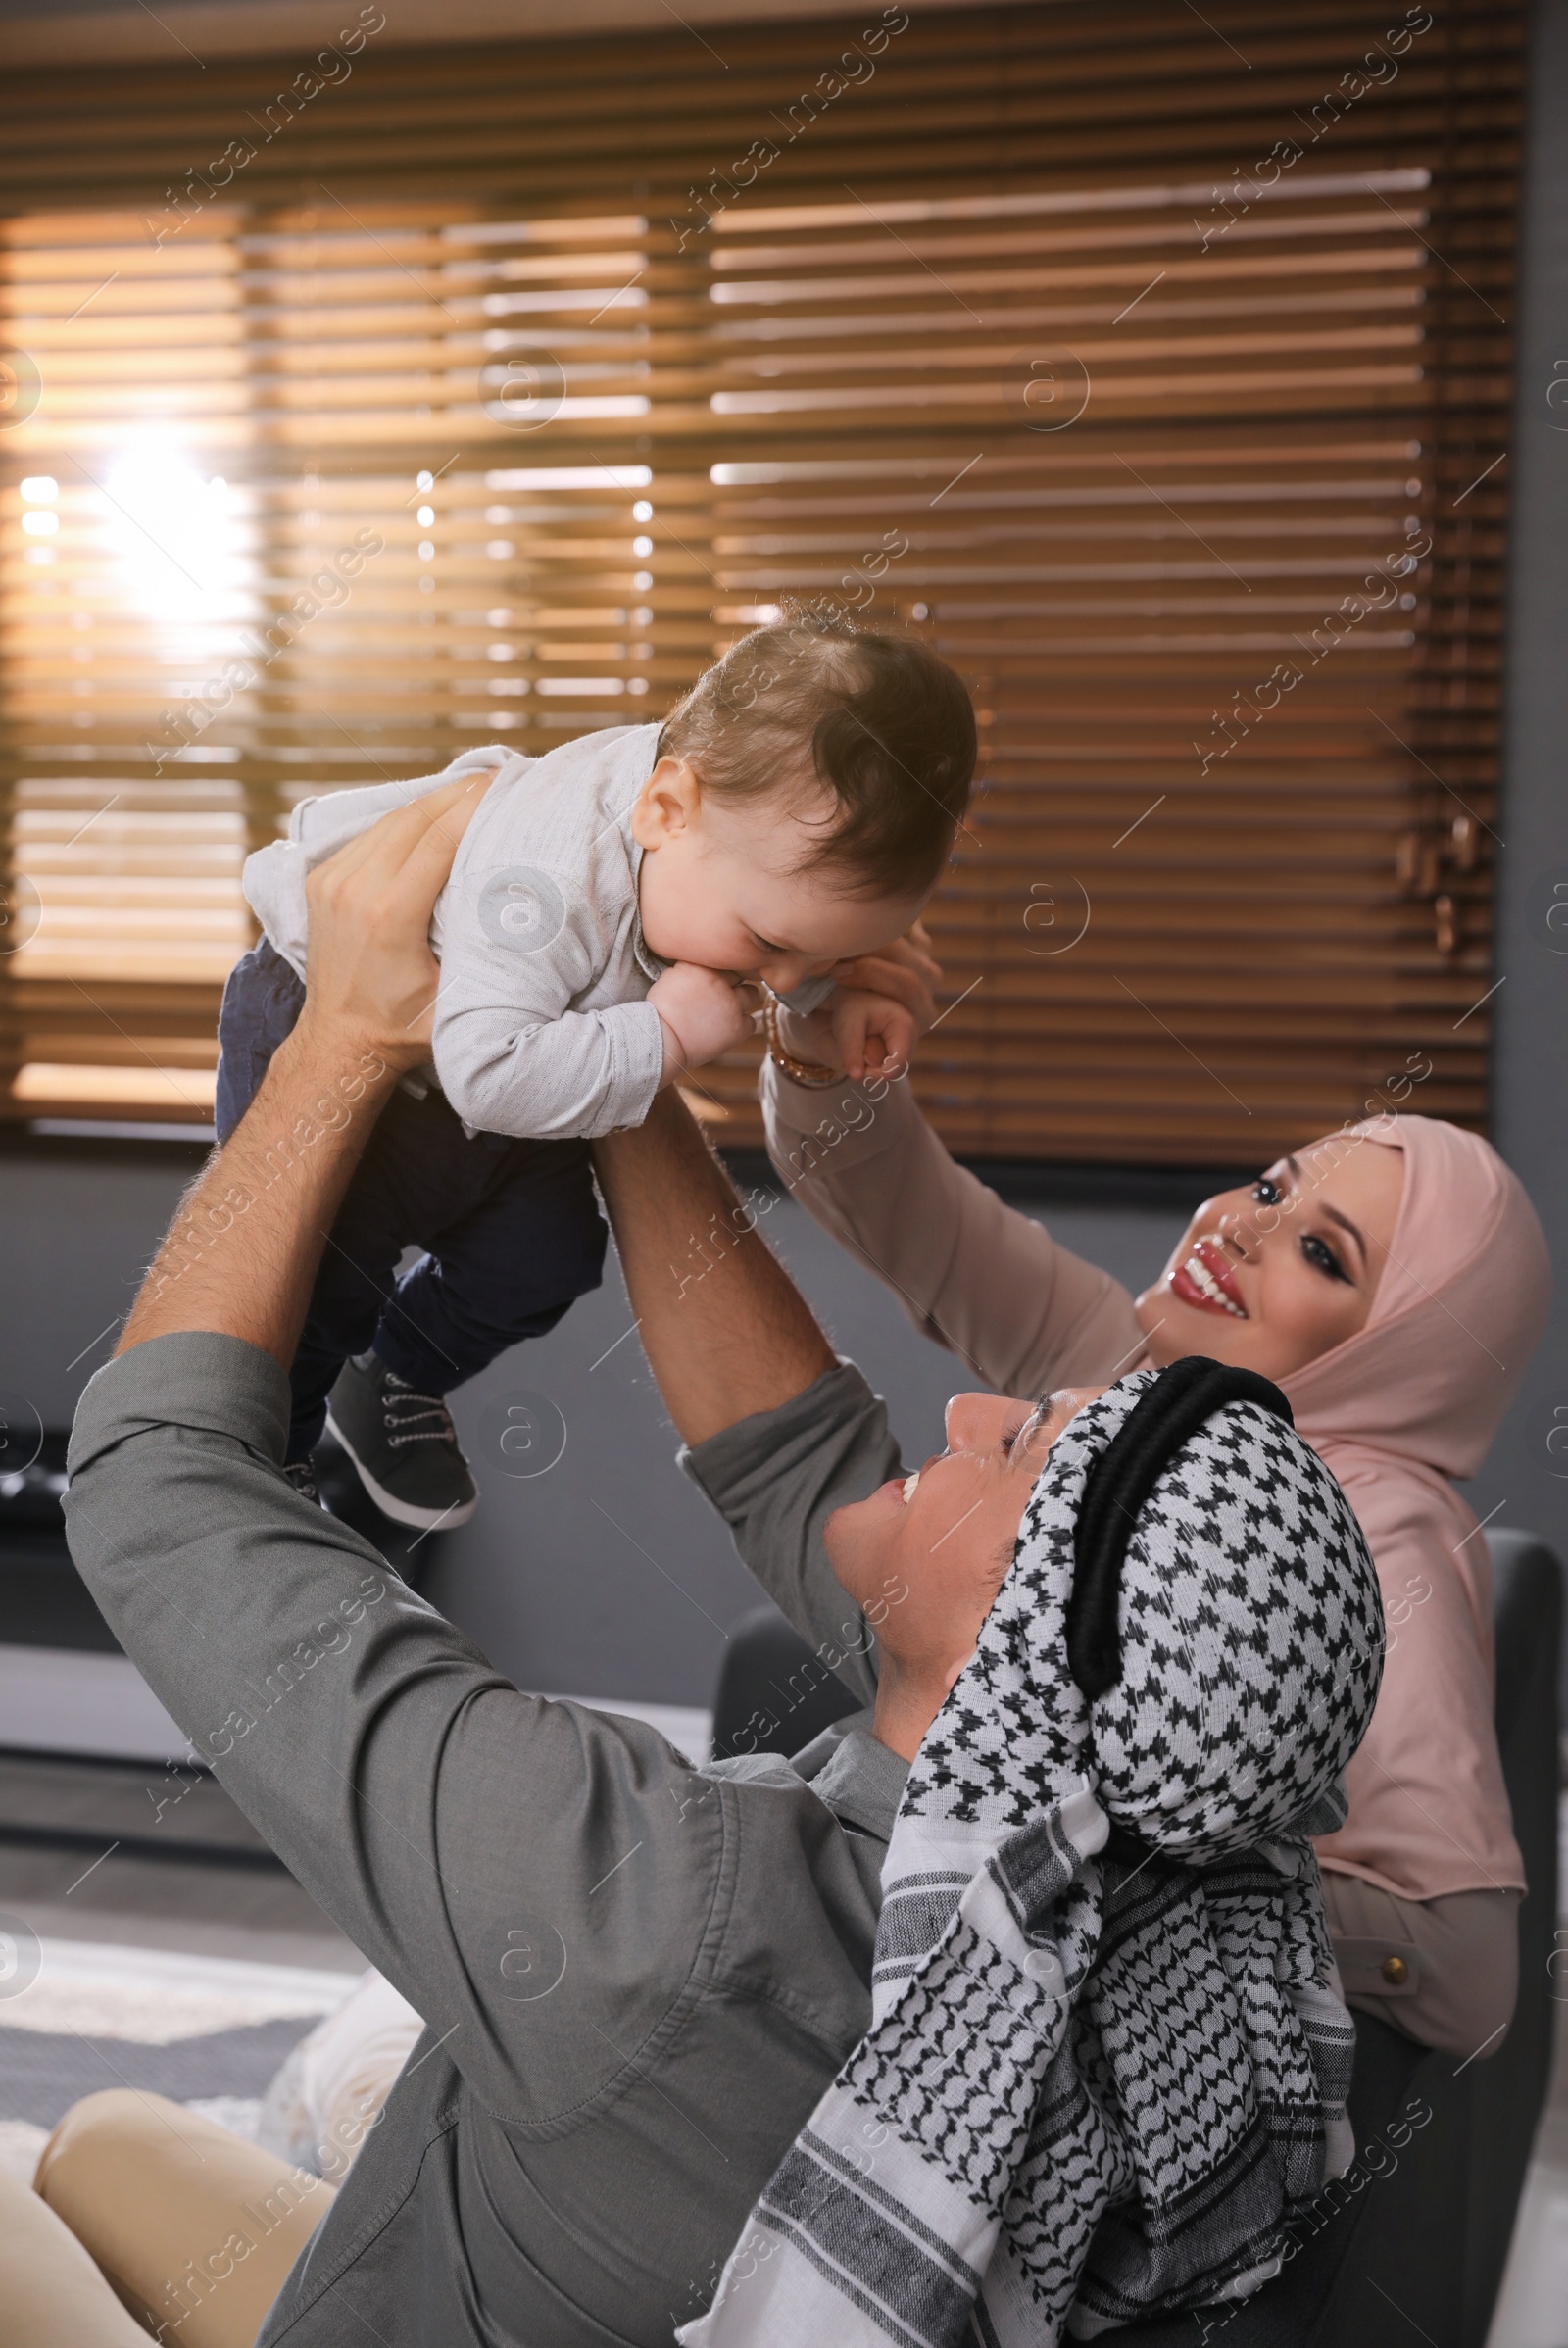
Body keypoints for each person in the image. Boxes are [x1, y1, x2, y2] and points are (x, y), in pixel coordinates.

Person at [4, 785, 1378, 2348]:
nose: (972, 1408)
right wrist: (624, 1044)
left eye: (1019, 1452)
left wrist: (339, 1046)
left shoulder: (656, 1922)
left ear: (1017, 1651)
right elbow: (807, 1465)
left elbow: (156, 1486)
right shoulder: (1131, 1892)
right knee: (103, 2133)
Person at [758, 950, 1551, 2059]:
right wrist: (823, 1042)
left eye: (1321, 1253)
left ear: (1406, 1355)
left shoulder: (1382, 1539)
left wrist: (1123, 1875)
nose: (1240, 1225)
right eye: (1273, 1187)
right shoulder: (1128, 1376)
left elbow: (1468, 1978)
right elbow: (908, 1212)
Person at [218, 618, 974, 1529]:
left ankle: (397, 1370)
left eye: (817, 956)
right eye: (770, 947)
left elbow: (792, 932)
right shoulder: (545, 881)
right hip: (334, 1011)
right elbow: (487, 1075)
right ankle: (267, 1466)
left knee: (547, 1258)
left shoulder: (722, 840)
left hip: (512, 1035)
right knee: (320, 1279)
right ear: (664, 808)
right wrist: (660, 1037)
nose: (772, 980)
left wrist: (829, 998)